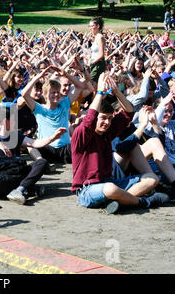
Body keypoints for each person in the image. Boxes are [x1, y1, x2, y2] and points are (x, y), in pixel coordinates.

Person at [71, 73, 169, 214]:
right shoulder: (81, 135)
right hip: (87, 190)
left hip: (111, 183)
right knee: (110, 188)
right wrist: (99, 91)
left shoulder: (107, 133)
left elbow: (129, 112)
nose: (107, 122)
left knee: (152, 178)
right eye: (103, 118)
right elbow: (89, 119)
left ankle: (120, 201)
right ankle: (144, 201)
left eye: (110, 119)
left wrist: (116, 91)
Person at [0, 105, 66, 204]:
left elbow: (35, 143)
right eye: (13, 120)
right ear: (5, 121)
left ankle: (20, 190)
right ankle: (28, 189)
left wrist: (52, 138)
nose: (16, 123)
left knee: (42, 162)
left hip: (15, 174)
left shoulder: (15, 135)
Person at [88, 17, 106, 83]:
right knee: (94, 85)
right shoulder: (97, 37)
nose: (90, 28)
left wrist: (92, 62)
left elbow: (101, 55)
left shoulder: (99, 37)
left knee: (91, 83)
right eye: (89, 26)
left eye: (92, 26)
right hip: (95, 63)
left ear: (98, 26)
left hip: (98, 64)